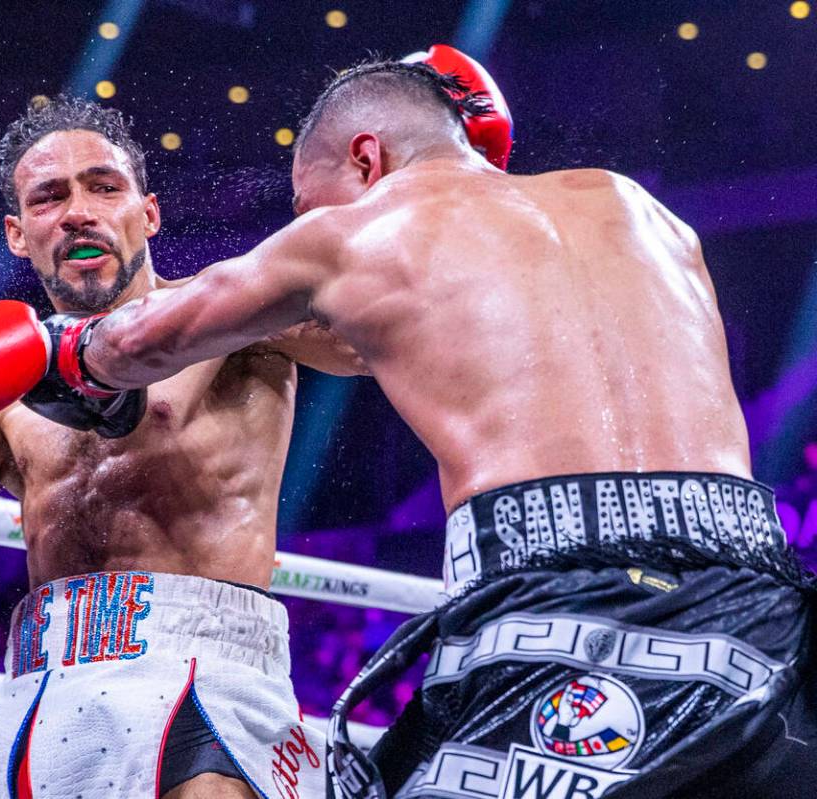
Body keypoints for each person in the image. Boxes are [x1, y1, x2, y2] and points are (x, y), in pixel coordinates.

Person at [42, 45, 817, 798]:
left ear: (366, 160)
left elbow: (131, 343)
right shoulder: (637, 206)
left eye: (306, 202)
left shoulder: (355, 232)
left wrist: (31, 354)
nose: (306, 220)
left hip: (562, 611)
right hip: (763, 603)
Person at [0, 95, 366, 799]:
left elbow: (372, 340)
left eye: (104, 187)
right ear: (17, 232)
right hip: (37, 691)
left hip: (203, 679)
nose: (78, 212)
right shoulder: (4, 389)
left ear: (148, 212)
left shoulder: (230, 316)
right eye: (49, 197)